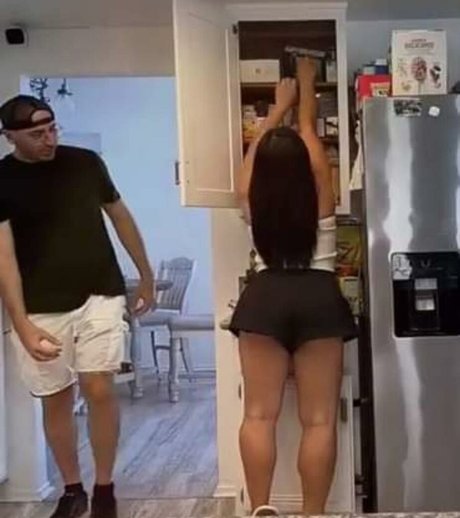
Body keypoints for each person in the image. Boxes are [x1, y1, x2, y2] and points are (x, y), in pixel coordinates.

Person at [0, 95, 155, 518]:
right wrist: (21, 324)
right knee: (56, 398)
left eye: (52, 129)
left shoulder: (85, 163)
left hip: (99, 292)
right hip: (39, 306)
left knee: (99, 386)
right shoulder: (3, 179)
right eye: (37, 134)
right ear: (10, 137)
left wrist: (145, 275)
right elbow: (4, 257)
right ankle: (73, 490)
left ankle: (104, 488)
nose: (49, 140)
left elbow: (120, 216)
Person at [229, 59, 356, 516]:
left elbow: (252, 164)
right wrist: (305, 89)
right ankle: (312, 514)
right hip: (317, 298)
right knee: (319, 421)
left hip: (265, 298)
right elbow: (311, 142)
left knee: (258, 415)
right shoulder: (320, 189)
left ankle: (261, 508)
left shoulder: (250, 196)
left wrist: (275, 108)